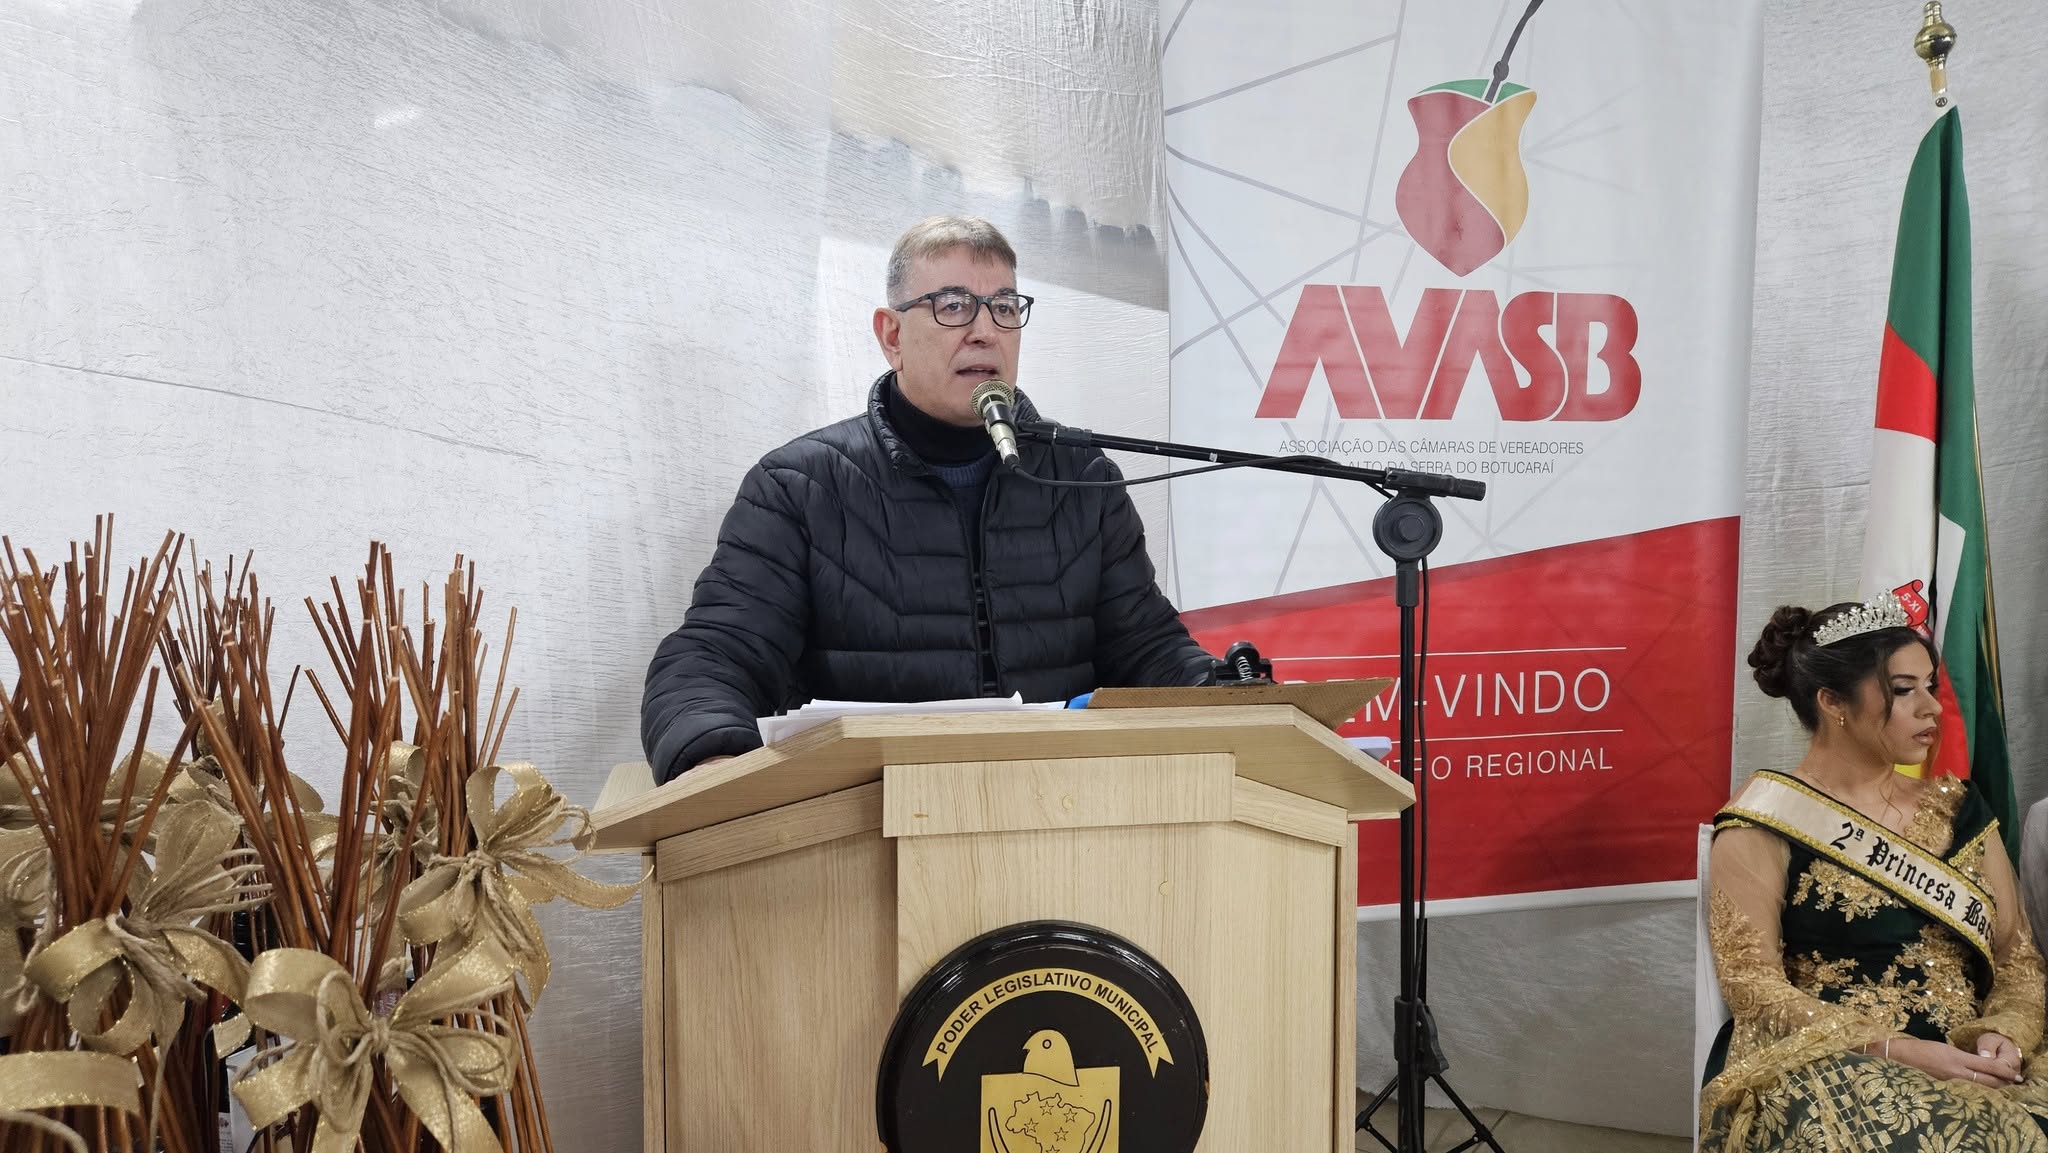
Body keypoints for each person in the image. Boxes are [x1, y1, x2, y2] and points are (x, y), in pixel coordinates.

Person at [640, 216, 1215, 783]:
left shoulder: (1081, 477)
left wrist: (1231, 694)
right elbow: (715, 655)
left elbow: (1149, 649)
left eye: (1004, 307)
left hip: (1064, 801)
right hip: (866, 812)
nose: (985, 330)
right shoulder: (799, 487)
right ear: (892, 336)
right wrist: (710, 756)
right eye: (953, 305)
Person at [1701, 592, 2048, 1149]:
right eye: (1904, 690)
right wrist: (1900, 1049)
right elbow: (1752, 985)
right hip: (1838, 1061)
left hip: (1973, 1054)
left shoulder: (1960, 809)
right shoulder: (1763, 821)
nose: (1932, 708)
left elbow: (2018, 961)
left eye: (1930, 685)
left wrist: (2004, 1033)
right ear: (1832, 702)